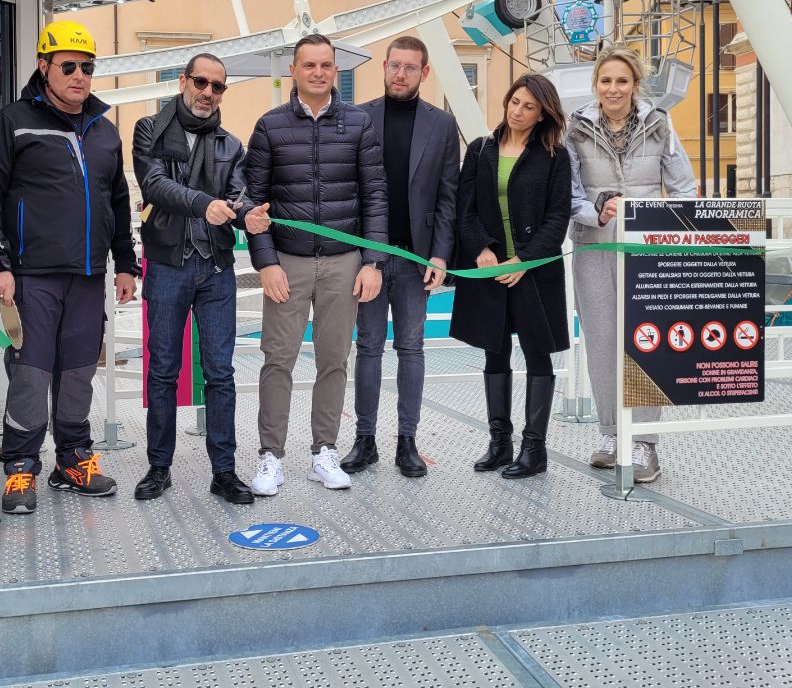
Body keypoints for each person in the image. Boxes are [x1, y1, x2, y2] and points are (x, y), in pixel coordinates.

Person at [0, 21, 139, 514]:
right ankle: (21, 466)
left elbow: (118, 201)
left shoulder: (104, 131)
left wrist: (125, 264)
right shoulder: (15, 121)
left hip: (87, 276)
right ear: (43, 67)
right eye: (68, 66)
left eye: (87, 67)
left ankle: (73, 459)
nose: (79, 75)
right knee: (31, 373)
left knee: (80, 371)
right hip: (31, 275)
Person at [245, 33, 388, 495]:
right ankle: (271, 456)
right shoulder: (270, 126)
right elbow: (253, 202)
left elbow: (375, 196)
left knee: (334, 360)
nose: (319, 73)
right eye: (309, 65)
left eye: (326, 65)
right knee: (277, 360)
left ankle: (324, 451)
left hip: (344, 263)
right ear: (294, 70)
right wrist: (266, 263)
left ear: (335, 70)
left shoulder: (359, 124)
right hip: (288, 262)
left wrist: (373, 261)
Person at [131, 53, 270, 504]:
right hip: (167, 265)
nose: (208, 92)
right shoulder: (149, 130)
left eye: (218, 86)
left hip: (215, 269)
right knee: (163, 371)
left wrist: (249, 216)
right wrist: (202, 204)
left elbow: (237, 198)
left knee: (221, 373)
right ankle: (159, 468)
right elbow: (154, 185)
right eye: (201, 82)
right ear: (183, 81)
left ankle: (224, 472)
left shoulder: (231, 145)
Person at [566, 46, 696, 482]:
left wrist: (666, 233)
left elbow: (684, 188)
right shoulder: (575, 129)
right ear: (595, 84)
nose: (613, 89)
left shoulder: (660, 124)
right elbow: (570, 193)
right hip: (594, 247)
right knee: (602, 342)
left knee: (646, 342)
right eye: (606, 80)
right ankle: (610, 433)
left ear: (635, 84)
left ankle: (644, 442)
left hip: (646, 252)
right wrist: (596, 214)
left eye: (622, 80)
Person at [342, 36, 460, 478]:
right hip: (368, 258)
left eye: (411, 67)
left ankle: (407, 441)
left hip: (415, 259)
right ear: (384, 66)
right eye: (395, 65)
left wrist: (440, 256)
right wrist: (359, 255)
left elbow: (448, 197)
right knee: (368, 347)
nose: (401, 74)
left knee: (411, 348)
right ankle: (365, 440)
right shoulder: (359, 117)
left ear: (424, 73)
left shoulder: (442, 124)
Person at [450, 74, 572, 478]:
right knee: (494, 350)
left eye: (529, 107)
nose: (518, 111)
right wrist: (481, 248)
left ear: (542, 115)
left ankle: (534, 450)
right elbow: (465, 208)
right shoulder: (481, 149)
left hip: (533, 270)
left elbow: (557, 218)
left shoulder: (555, 157)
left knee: (538, 353)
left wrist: (523, 260)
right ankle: (499, 443)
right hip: (490, 269)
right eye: (514, 102)